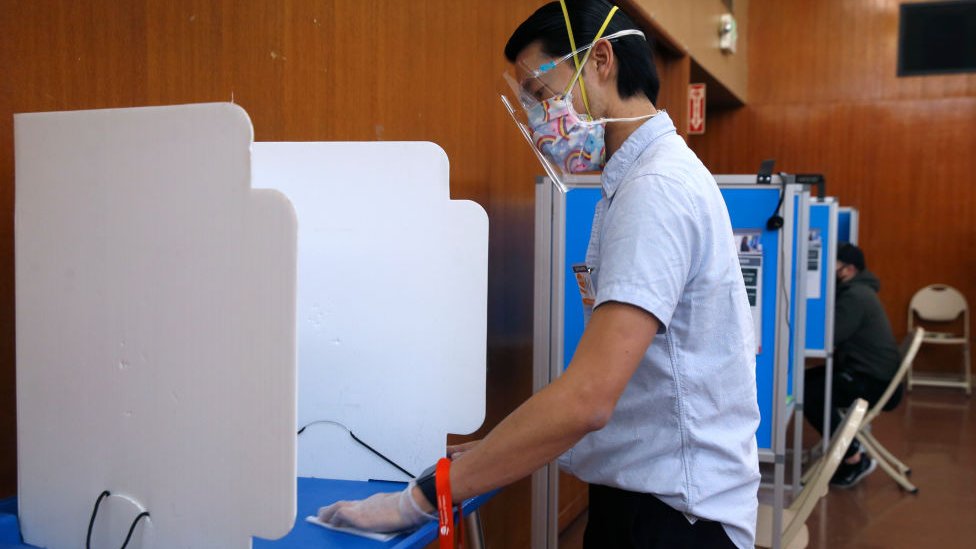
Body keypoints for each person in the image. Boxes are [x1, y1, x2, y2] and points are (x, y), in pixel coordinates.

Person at [316, 2, 760, 547]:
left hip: (676, 519)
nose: (539, 123)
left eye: (543, 96)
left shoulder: (656, 189)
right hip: (656, 503)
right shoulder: (644, 179)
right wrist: (494, 450)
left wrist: (423, 497)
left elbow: (589, 397)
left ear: (601, 60)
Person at [804, 242, 900, 488]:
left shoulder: (855, 296)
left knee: (810, 394)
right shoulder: (859, 291)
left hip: (872, 381)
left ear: (847, 269)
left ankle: (854, 457)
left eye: (833, 266)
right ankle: (845, 447)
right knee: (806, 382)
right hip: (872, 373)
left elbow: (831, 337)